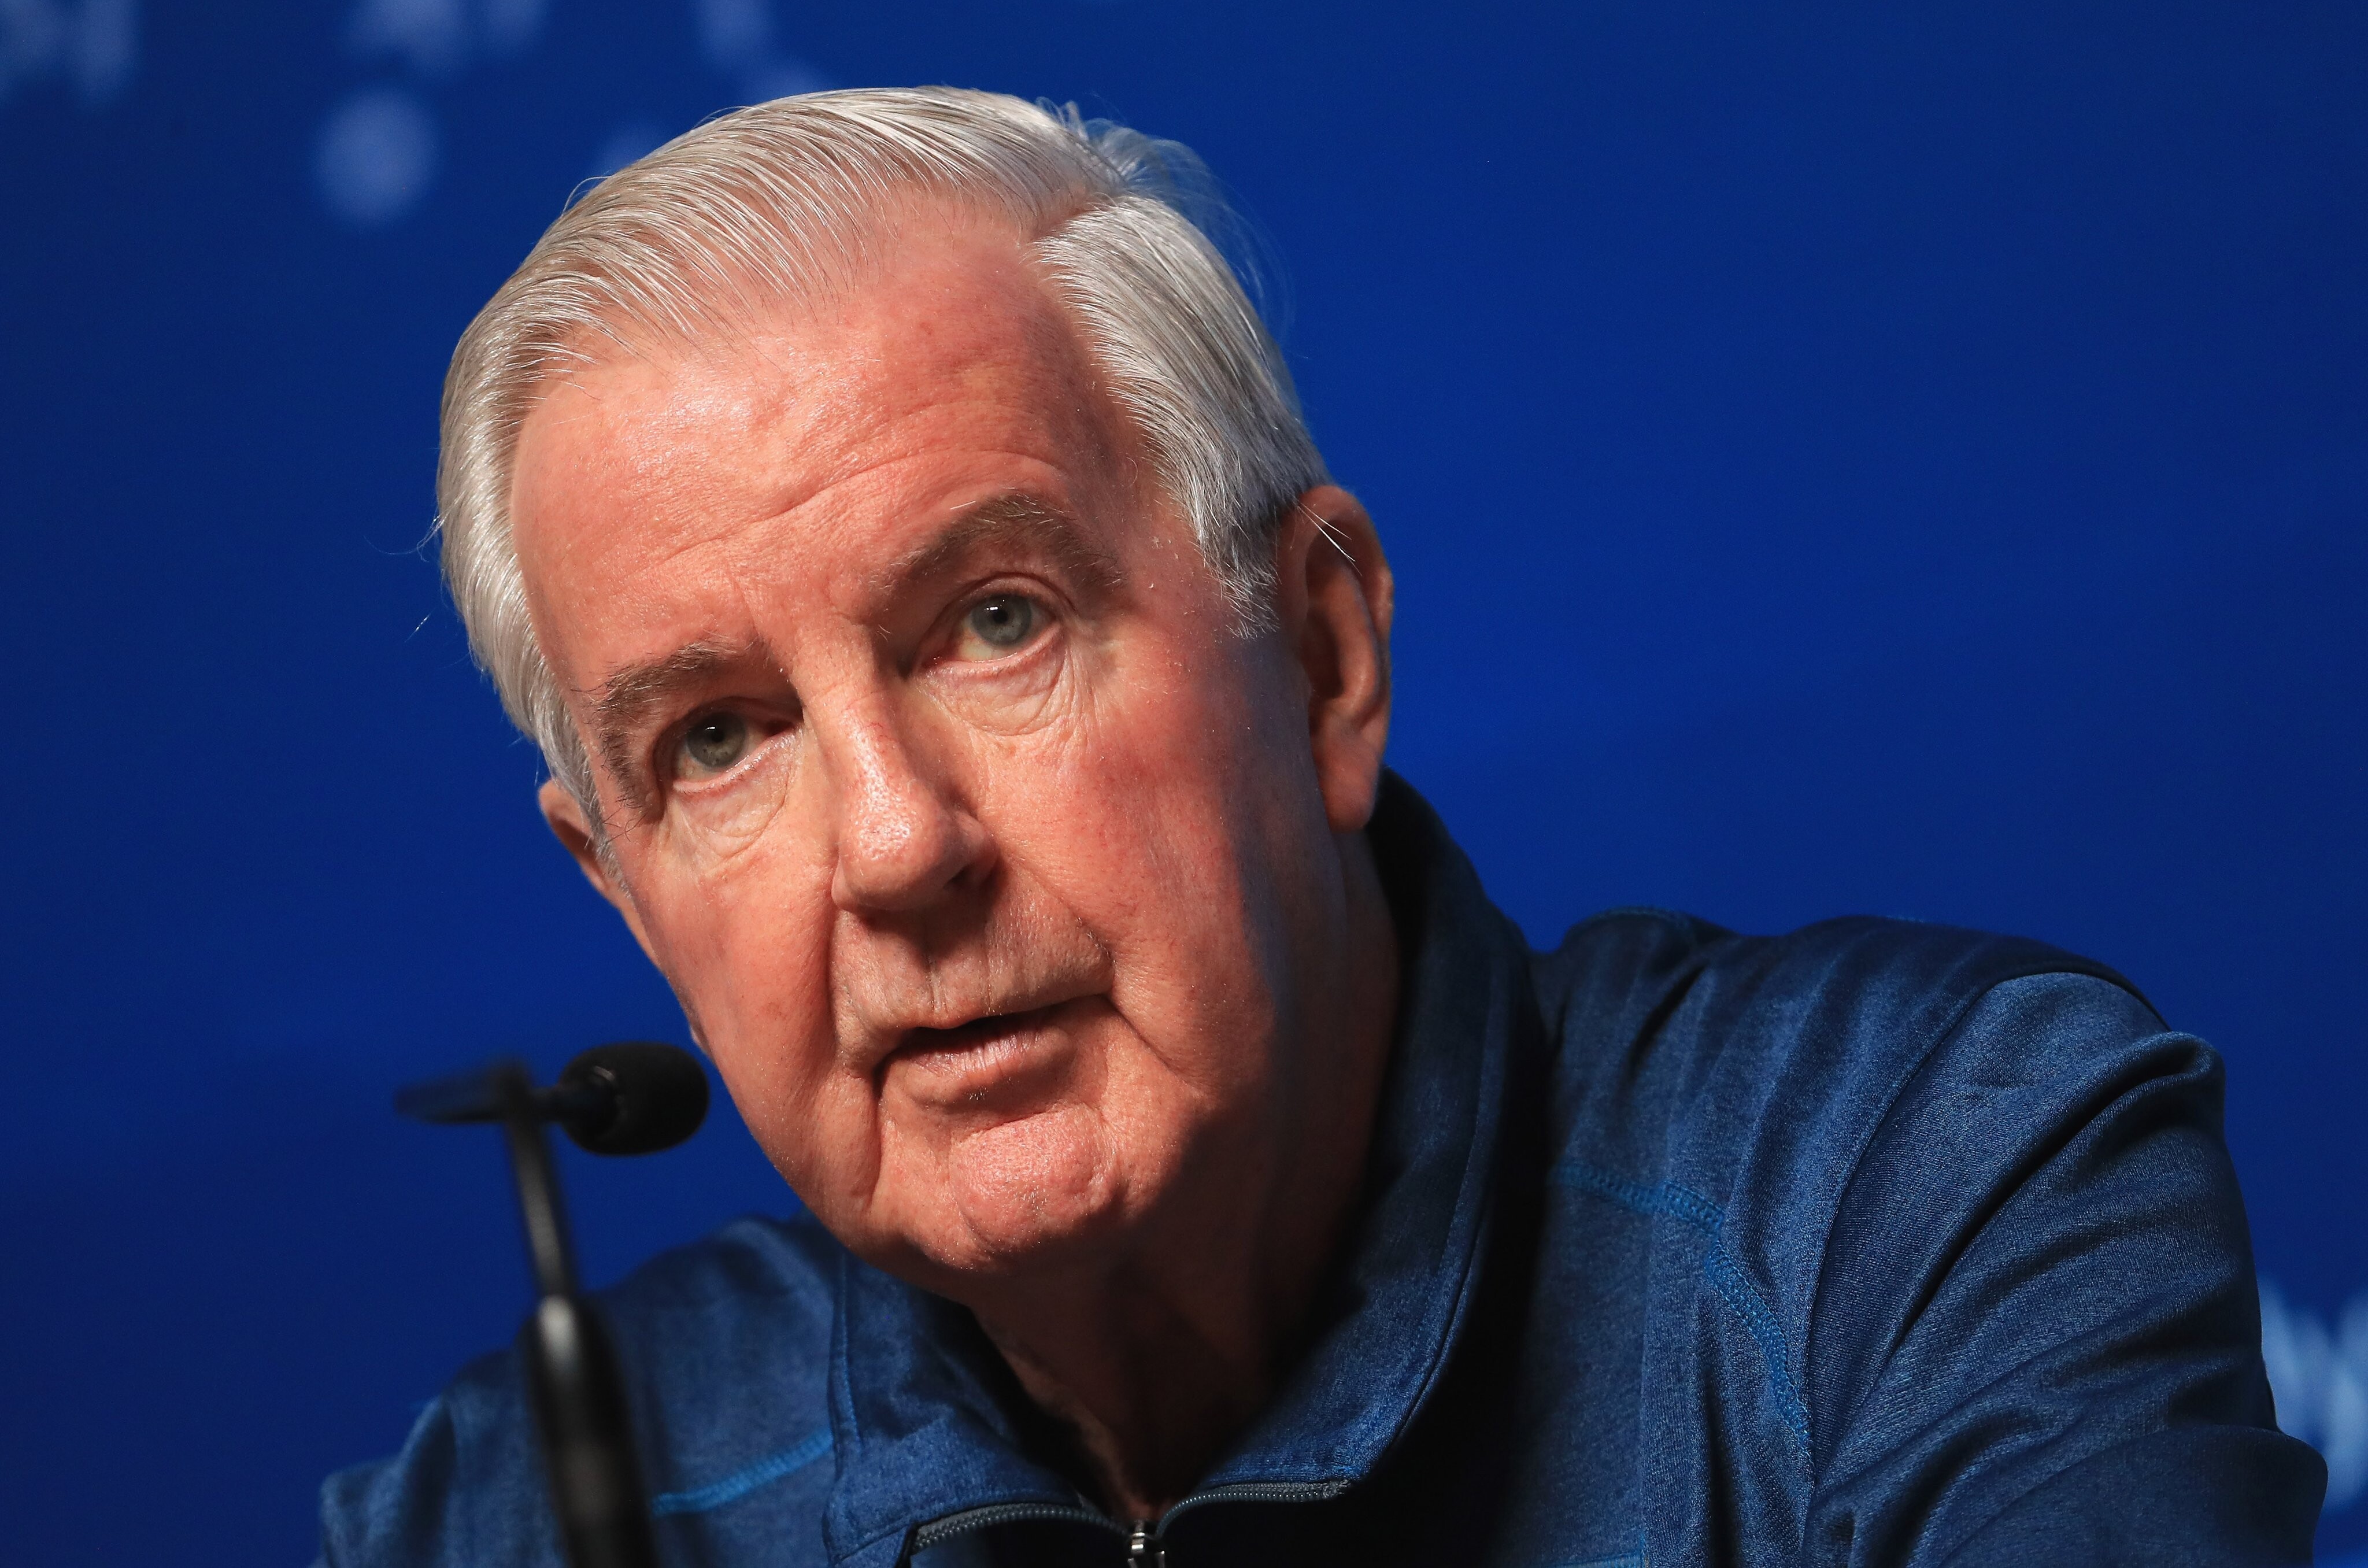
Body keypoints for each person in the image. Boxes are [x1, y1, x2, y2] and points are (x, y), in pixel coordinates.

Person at [319, 88, 2324, 1567]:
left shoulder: (1932, 1190)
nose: (899, 846)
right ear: (628, 893)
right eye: (720, 740)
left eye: (997, 622)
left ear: (1324, 656)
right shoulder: (492, 1519)